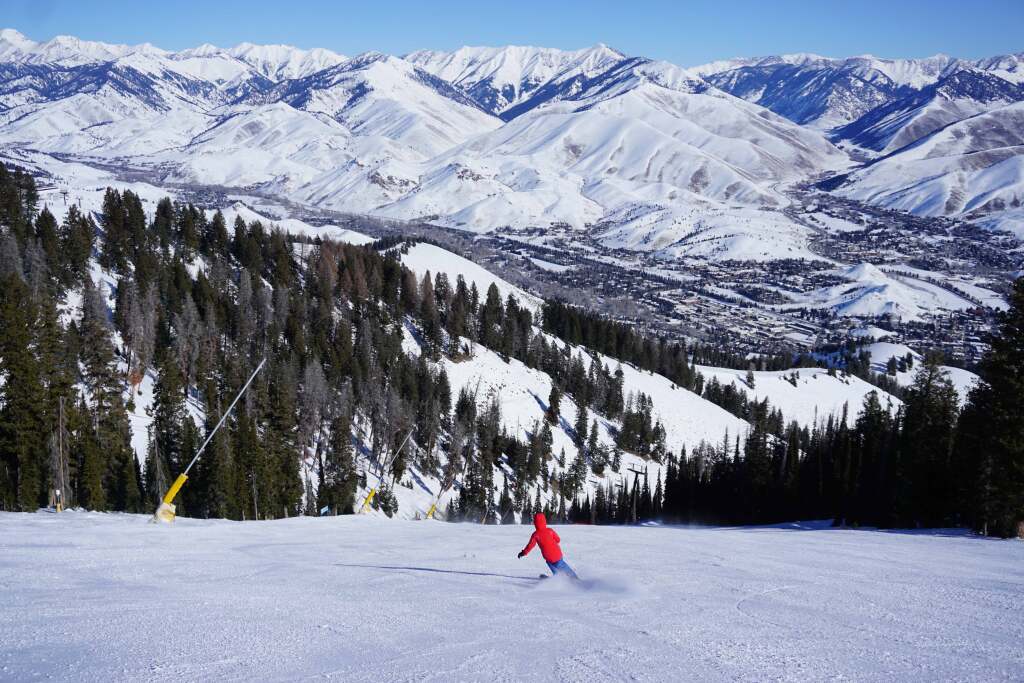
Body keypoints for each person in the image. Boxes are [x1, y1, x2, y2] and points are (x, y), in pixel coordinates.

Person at [517, 512, 579, 579]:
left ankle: (558, 578)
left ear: (535, 523)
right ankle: (574, 578)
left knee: (551, 564)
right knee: (562, 565)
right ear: (544, 521)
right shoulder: (550, 530)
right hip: (557, 554)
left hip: (548, 557)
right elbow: (558, 540)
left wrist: (523, 553)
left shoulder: (535, 534)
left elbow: (530, 546)